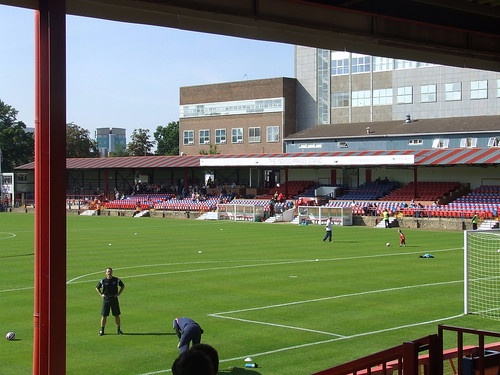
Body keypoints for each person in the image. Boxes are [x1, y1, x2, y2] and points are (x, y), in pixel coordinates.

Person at [96, 267, 125, 336]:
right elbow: (97, 288)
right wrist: (101, 294)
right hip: (106, 300)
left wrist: (119, 293)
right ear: (106, 273)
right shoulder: (103, 281)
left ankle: (119, 329)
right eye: (108, 272)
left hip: (114, 299)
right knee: (104, 315)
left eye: (110, 271)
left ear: (112, 272)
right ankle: (102, 330)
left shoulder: (116, 280)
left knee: (116, 315)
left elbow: (123, 286)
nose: (109, 273)